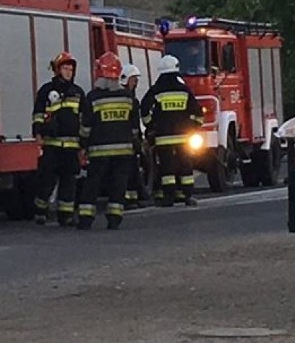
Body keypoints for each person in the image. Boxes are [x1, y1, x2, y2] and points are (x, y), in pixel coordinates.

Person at [76, 52, 136, 230]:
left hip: (99, 151)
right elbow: (133, 126)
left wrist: (82, 145)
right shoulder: (127, 97)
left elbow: (86, 126)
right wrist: (135, 143)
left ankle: (86, 218)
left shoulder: (92, 97)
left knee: (93, 183)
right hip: (124, 151)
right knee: (119, 184)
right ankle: (115, 218)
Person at [140, 53, 203, 206]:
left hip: (163, 138)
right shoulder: (184, 89)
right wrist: (193, 127)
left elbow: (144, 108)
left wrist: (151, 125)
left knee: (166, 167)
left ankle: (168, 197)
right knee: (186, 165)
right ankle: (187, 195)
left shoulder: (156, 90)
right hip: (184, 137)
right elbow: (198, 113)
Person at [31, 51, 86, 226]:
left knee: (69, 182)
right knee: (47, 180)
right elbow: (38, 114)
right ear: (57, 70)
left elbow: (84, 118)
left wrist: (84, 143)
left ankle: (66, 215)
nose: (69, 72)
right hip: (52, 145)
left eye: (71, 69)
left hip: (72, 145)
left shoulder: (78, 92)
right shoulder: (46, 91)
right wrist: (38, 133)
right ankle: (40, 210)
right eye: (65, 68)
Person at [119, 62, 144, 209]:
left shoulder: (130, 98)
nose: (136, 83)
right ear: (126, 79)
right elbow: (133, 125)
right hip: (127, 143)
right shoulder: (129, 100)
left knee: (132, 171)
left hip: (127, 142)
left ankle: (132, 198)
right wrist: (137, 141)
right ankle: (128, 199)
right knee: (127, 172)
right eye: (134, 80)